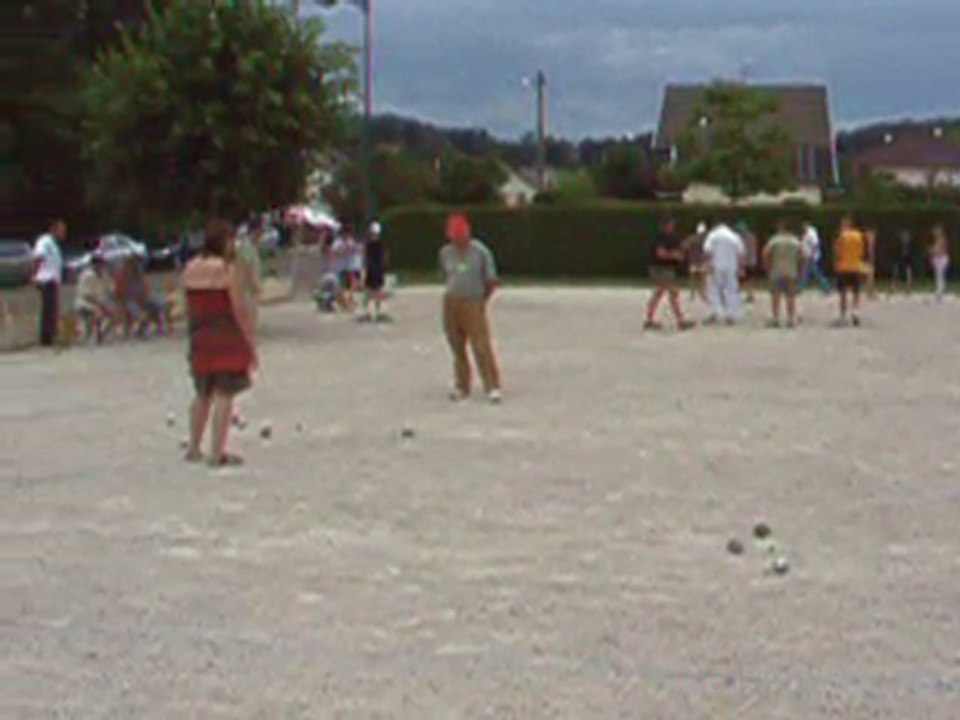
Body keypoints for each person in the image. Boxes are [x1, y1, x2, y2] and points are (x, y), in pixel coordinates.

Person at [182, 219, 257, 467]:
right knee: (225, 394)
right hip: (225, 336)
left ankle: (193, 447)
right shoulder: (226, 270)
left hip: (200, 335)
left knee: (202, 393)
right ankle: (217, 452)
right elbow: (239, 309)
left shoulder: (190, 268)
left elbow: (187, 307)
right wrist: (250, 342)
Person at [439, 213, 502, 404]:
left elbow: (491, 280)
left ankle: (492, 386)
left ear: (467, 232)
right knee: (456, 345)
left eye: (460, 234)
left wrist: (482, 300)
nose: (457, 239)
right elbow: (445, 275)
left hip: (473, 301)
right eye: (453, 235)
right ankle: (462, 385)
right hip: (451, 301)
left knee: (481, 345)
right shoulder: (445, 252)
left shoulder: (480, 252)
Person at [644, 217, 694, 331]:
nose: (672, 227)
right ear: (665, 225)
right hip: (661, 269)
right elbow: (660, 253)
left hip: (663, 269)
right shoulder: (660, 237)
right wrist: (674, 255)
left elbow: (674, 248)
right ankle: (680, 321)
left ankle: (649, 320)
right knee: (673, 293)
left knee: (659, 294)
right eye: (671, 225)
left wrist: (682, 248)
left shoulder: (668, 237)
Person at [762, 220, 803, 328]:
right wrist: (799, 269)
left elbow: (765, 253)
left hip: (776, 271)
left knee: (776, 296)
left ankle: (776, 318)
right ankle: (791, 319)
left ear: (781, 228)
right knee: (790, 296)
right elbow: (801, 256)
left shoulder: (774, 240)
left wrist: (767, 267)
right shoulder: (795, 241)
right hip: (791, 271)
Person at [703, 220, 745, 325]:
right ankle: (730, 315)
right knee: (731, 290)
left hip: (716, 266)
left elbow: (708, 250)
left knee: (713, 289)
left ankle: (715, 312)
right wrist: (741, 268)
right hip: (731, 267)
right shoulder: (734, 236)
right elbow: (740, 253)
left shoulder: (713, 236)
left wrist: (708, 264)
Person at [32, 218, 66, 347]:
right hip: (46, 279)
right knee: (48, 309)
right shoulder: (44, 241)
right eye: (61, 230)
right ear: (53, 229)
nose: (63, 233)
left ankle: (51, 334)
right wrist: (34, 276)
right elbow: (38, 258)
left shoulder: (54, 244)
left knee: (52, 308)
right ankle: (46, 337)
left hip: (53, 279)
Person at [75, 255, 116, 343]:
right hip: (85, 303)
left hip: (99, 303)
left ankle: (100, 334)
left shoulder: (104, 275)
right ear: (93, 265)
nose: (101, 266)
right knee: (99, 313)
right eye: (99, 264)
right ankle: (93, 335)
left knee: (114, 313)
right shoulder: (86, 276)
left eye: (102, 264)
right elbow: (85, 295)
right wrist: (101, 305)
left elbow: (112, 289)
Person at [834, 216, 866, 326]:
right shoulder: (859, 236)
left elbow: (838, 252)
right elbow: (861, 252)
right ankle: (855, 312)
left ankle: (843, 316)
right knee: (856, 292)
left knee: (843, 293)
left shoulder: (841, 236)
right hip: (855, 267)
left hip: (843, 267)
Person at [235, 217, 263, 328]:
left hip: (247, 287)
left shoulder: (250, 246)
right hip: (246, 287)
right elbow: (246, 266)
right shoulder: (246, 246)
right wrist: (254, 283)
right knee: (249, 313)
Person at [361, 221, 390, 322]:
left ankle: (380, 312)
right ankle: (370, 312)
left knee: (378, 292)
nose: (374, 235)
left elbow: (385, 256)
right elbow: (365, 257)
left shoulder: (380, 245)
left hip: (377, 270)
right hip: (372, 270)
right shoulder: (369, 245)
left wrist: (384, 266)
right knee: (370, 293)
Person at [682, 222, 709, 304]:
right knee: (703, 278)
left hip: (693, 261)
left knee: (693, 279)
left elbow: (684, 245)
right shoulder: (707, 239)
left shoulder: (692, 238)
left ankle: (692, 294)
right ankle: (703, 293)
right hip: (702, 261)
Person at [799, 222, 831, 292]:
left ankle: (826, 286)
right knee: (807, 272)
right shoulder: (806, 234)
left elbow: (816, 244)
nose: (802, 229)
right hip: (808, 256)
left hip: (812, 257)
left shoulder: (811, 234)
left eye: (803, 227)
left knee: (815, 273)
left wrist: (812, 255)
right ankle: (801, 287)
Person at [737, 221, 759, 303]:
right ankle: (750, 294)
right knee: (750, 279)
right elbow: (755, 248)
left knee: (741, 279)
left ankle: (739, 294)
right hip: (752, 261)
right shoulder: (752, 236)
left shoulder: (738, 238)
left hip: (743, 261)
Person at [890, 229, 915, 295]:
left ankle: (908, 290)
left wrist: (911, 263)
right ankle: (894, 288)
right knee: (895, 273)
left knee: (909, 274)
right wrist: (896, 262)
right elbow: (895, 253)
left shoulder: (911, 245)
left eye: (907, 237)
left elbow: (912, 254)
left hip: (907, 262)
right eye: (904, 237)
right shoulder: (899, 244)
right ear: (902, 238)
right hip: (899, 261)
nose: (906, 238)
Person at [930, 225, 951, 301]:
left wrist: (933, 251)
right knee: (938, 275)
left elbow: (940, 250)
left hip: (942, 259)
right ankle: (939, 291)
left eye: (936, 231)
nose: (934, 233)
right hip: (939, 259)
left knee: (940, 274)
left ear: (939, 232)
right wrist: (933, 251)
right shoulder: (938, 239)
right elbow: (936, 249)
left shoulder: (942, 239)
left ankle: (940, 291)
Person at [863, 227, 878, 300]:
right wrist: (871, 261)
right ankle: (870, 293)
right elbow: (870, 253)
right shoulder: (869, 242)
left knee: (869, 277)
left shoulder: (867, 242)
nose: (873, 236)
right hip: (867, 261)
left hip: (866, 261)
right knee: (870, 277)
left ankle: (869, 292)